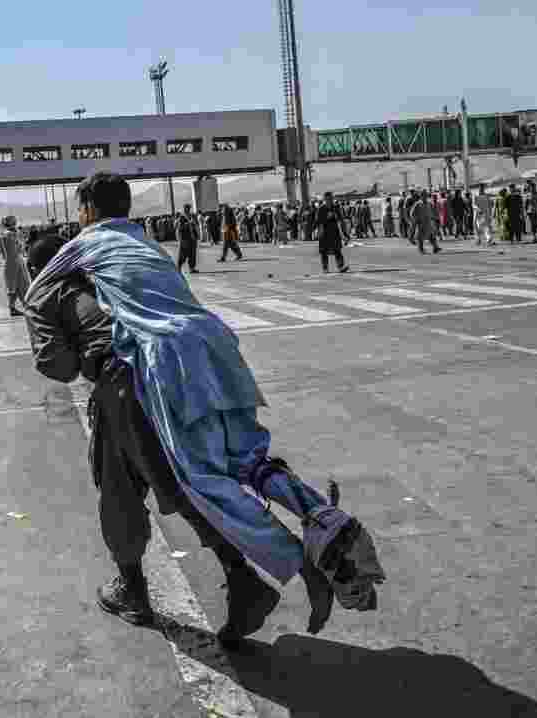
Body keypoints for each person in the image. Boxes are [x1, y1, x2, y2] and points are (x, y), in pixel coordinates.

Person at [23, 171, 384, 646]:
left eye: (79, 211)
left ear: (87, 210)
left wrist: (39, 301)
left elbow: (57, 361)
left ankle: (299, 569)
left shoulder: (76, 254)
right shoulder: (141, 244)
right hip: (215, 349)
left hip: (152, 369)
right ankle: (318, 521)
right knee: (247, 462)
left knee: (197, 482)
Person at [0, 216, 29, 317]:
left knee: (21, 285)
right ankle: (12, 308)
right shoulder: (8, 234)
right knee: (13, 286)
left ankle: (24, 306)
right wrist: (20, 240)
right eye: (14, 222)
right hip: (12, 262)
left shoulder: (9, 234)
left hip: (16, 261)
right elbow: (15, 249)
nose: (15, 223)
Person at [315, 192, 350, 273]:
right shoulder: (321, 209)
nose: (330, 200)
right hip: (324, 232)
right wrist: (326, 218)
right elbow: (317, 222)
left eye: (331, 199)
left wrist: (345, 234)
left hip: (334, 231)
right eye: (328, 199)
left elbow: (341, 220)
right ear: (325, 199)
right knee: (324, 251)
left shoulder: (336, 208)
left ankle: (341, 267)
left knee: (337, 249)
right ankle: (325, 268)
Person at [176, 205, 200, 274]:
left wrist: (196, 236)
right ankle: (178, 268)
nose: (188, 210)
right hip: (185, 239)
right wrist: (188, 223)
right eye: (187, 209)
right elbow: (180, 228)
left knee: (192, 254)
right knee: (183, 254)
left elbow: (195, 226)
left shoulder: (191, 217)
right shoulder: (181, 218)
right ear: (184, 209)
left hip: (192, 239)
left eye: (189, 209)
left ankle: (192, 268)